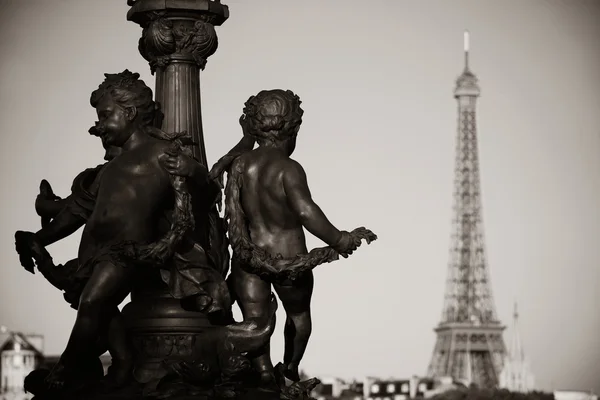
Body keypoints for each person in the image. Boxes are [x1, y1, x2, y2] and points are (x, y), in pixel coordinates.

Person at [15, 70, 230, 389]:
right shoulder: (108, 170)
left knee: (92, 304)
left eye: (105, 115)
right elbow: (76, 213)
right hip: (93, 252)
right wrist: (40, 238)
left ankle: (64, 372)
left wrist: (192, 170)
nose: (98, 124)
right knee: (100, 308)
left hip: (126, 250)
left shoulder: (160, 153)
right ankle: (123, 361)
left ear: (130, 113)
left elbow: (206, 192)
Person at [219, 89, 375, 385]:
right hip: (288, 259)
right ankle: (289, 369)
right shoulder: (289, 168)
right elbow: (306, 212)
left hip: (249, 258)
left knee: (256, 322)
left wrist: (245, 137)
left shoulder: (241, 165)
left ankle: (263, 372)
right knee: (300, 318)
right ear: (291, 130)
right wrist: (339, 240)